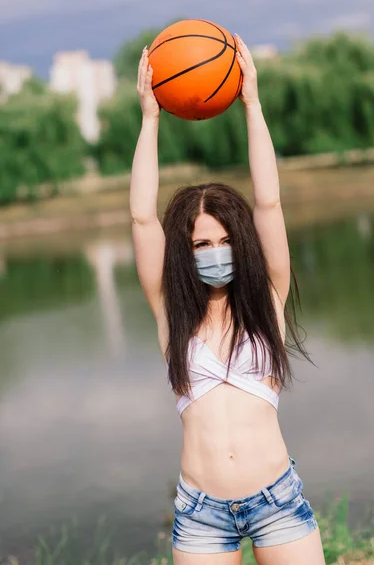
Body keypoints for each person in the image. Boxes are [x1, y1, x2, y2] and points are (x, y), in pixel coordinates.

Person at [130, 36, 326, 565]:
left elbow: (268, 200)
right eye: (200, 244)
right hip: (201, 510)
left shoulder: (267, 296)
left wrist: (253, 105)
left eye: (224, 241)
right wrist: (150, 119)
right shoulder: (170, 313)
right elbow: (143, 218)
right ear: (184, 254)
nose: (215, 252)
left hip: (276, 500)